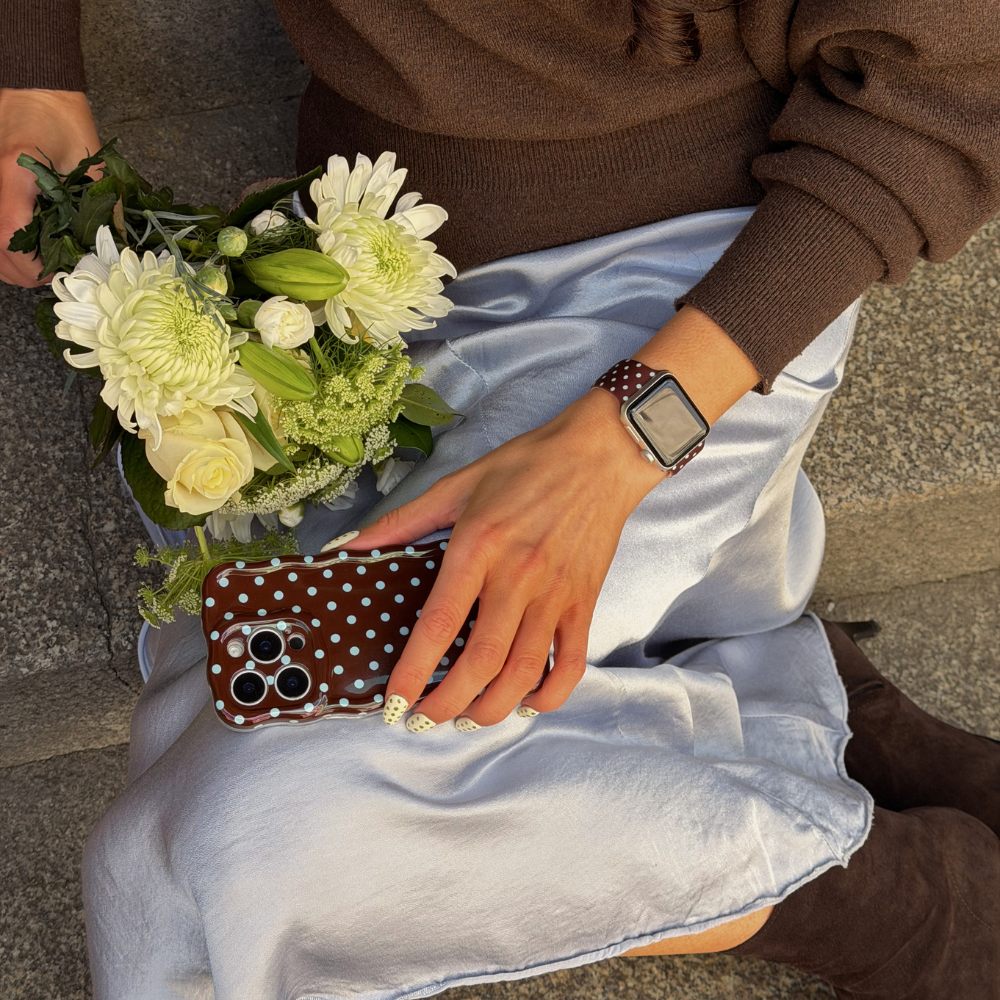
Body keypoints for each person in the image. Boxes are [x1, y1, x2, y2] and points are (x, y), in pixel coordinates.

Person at [2, 3, 998, 999]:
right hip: (355, 260)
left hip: (690, 296)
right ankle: (779, 706)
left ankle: (905, 906)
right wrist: (30, 82)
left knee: (260, 835)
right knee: (245, 669)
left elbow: (941, 93)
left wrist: (614, 447)